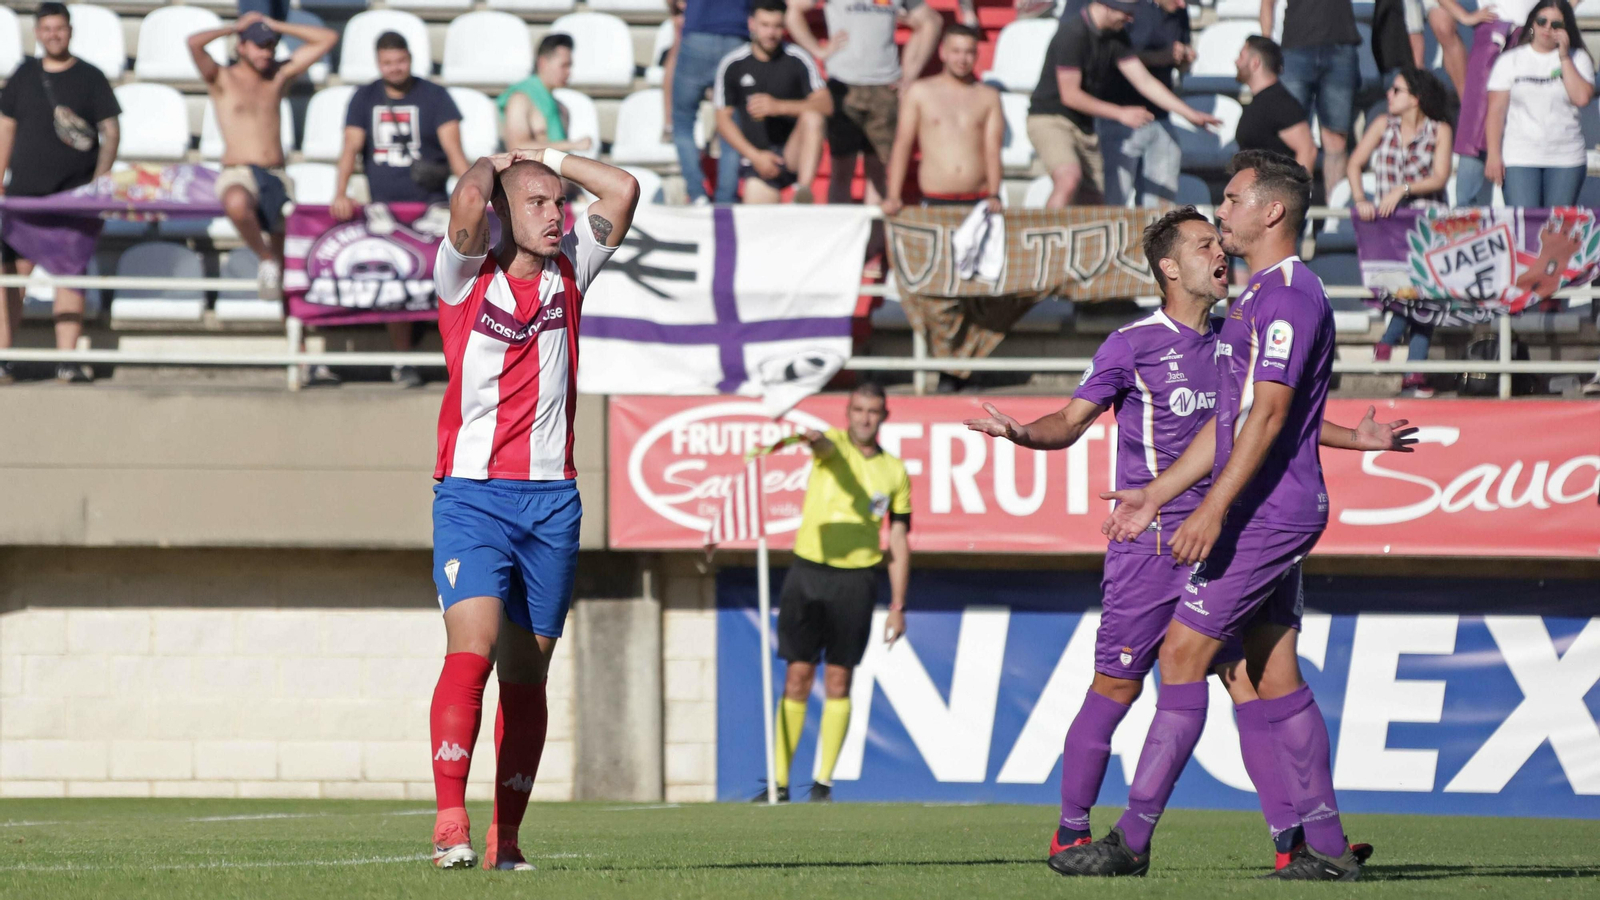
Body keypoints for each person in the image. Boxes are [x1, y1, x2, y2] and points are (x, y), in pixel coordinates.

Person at [966, 207, 1401, 874]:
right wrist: (1023, 432)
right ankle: (1071, 832)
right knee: (1116, 688)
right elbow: (1070, 420)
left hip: (1229, 538)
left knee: (1246, 681)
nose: (1219, 252)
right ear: (1169, 267)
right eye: (1203, 246)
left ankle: (1292, 846)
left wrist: (1351, 437)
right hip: (1155, 542)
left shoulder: (1239, 334)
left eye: (1218, 241)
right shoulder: (1133, 344)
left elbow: (1269, 418)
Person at [1056, 151, 1362, 880]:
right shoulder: (1255, 304)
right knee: (1273, 670)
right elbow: (1229, 424)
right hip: (1266, 506)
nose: (1220, 214)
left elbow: (1272, 412)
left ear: (1270, 212)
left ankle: (1129, 840)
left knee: (1182, 657)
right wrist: (1160, 495)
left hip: (1265, 511)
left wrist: (1214, 512)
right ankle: (1323, 848)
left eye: (1229, 202)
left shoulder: (1287, 296)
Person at [427, 148, 640, 870]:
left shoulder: (572, 270)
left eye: (559, 203)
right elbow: (464, 206)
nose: (556, 215)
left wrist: (547, 158)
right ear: (503, 214)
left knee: (527, 676)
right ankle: (451, 823)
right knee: (473, 649)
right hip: (473, 496)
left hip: (553, 503)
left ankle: (506, 840)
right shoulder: (463, 278)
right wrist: (491, 163)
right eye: (538, 204)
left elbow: (624, 187)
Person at [766, 383, 911, 803]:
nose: (865, 418)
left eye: (873, 411)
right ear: (847, 413)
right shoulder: (832, 449)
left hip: (858, 579)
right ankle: (778, 783)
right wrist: (815, 438)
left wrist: (898, 605)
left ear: (883, 416)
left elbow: (898, 539)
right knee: (797, 675)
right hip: (809, 571)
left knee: (839, 677)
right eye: (858, 410)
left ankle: (823, 785)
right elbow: (824, 447)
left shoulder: (895, 471)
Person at [332, 31, 470, 389]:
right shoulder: (364, 97)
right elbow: (350, 148)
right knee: (396, 277)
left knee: (446, 277)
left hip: (432, 206)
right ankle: (403, 360)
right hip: (385, 208)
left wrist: (475, 193)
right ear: (379, 63)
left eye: (401, 61)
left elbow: (455, 151)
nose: (396, 68)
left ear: (410, 59)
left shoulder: (435, 96)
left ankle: (458, 357)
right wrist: (340, 192)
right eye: (388, 62)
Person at [0, 2, 119, 384]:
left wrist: (97, 183)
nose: (53, 35)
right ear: (37, 32)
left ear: (70, 31)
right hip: (23, 200)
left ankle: (66, 360)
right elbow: (5, 129)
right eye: (46, 28)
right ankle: (4, 358)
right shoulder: (23, 75)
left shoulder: (90, 77)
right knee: (12, 279)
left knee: (69, 278)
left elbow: (111, 132)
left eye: (60, 28)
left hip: (72, 201)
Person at [189, 12, 337, 297]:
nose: (266, 52)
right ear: (241, 46)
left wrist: (276, 25)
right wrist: (235, 27)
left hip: (276, 174)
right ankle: (264, 257)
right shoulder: (222, 77)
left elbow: (327, 39)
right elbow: (194, 44)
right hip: (239, 171)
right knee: (236, 201)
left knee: (288, 269)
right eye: (259, 45)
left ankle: (294, 332)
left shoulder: (277, 75)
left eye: (270, 45)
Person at [1025, 0, 1220, 208]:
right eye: (1126, 12)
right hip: (1050, 119)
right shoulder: (1073, 33)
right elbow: (1070, 95)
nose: (1131, 18)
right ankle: (1047, 235)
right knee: (1068, 179)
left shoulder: (1115, 36)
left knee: (1096, 201)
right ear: (1107, 6)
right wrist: (1120, 113)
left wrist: (1189, 114)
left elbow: (1143, 81)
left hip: (1084, 126)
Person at [1347, 67, 1453, 398]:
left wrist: (1403, 189)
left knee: (1427, 295)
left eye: (1397, 90)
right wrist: (1362, 198)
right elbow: (1354, 164)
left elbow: (1439, 177)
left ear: (1415, 98)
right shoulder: (1382, 125)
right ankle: (1408, 365)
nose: (1389, 96)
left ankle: (1401, 354)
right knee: (1406, 290)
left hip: (1427, 224)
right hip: (1389, 224)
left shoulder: (1440, 129)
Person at [785, 0, 942, 205]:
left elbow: (932, 21)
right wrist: (818, 51)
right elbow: (793, 9)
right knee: (842, 167)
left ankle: (874, 237)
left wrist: (911, 75)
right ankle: (844, 236)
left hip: (884, 86)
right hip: (844, 85)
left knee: (878, 169)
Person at [714, 0, 833, 204]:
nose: (771, 33)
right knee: (756, 218)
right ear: (752, 24)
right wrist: (755, 156)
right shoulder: (734, 64)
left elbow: (826, 105)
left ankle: (802, 192)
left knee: (813, 116)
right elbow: (722, 119)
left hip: (793, 155)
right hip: (758, 158)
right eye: (765, 25)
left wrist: (779, 107)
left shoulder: (798, 58)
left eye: (777, 26)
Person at [882, 25, 1003, 213]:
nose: (962, 59)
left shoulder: (988, 96)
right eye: (956, 51)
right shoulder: (920, 92)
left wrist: (995, 194)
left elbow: (992, 148)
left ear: (977, 55)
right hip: (934, 199)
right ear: (943, 52)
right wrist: (893, 196)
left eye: (969, 52)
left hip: (979, 201)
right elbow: (902, 144)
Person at [1486, 0, 1595, 207]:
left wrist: (1564, 57)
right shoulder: (1510, 61)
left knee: (1556, 230)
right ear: (1532, 23)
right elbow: (1495, 112)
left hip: (1566, 158)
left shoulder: (1578, 59)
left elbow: (1581, 98)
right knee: (1524, 226)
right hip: (1519, 157)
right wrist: (1493, 154)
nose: (1547, 28)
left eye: (1556, 24)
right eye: (1542, 21)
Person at [1090, 0, 1195, 206]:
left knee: (1160, 202)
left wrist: (1184, 59)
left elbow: (1181, 65)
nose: (1182, 4)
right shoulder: (1131, 10)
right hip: (1122, 116)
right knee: (1114, 197)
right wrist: (1160, 57)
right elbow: (1115, 56)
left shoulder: (1181, 14)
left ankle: (1156, 238)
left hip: (1161, 115)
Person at [1262, 0, 1361, 199]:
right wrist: (1266, 48)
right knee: (1293, 137)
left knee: (1336, 138)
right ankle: (1292, 212)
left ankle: (1334, 215)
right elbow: (1267, 3)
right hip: (1295, 49)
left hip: (1340, 47)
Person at [1443, 0, 1537, 206]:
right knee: (1477, 129)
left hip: (1535, 40)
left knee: (1529, 123)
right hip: (1494, 37)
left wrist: (1559, 19)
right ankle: (1467, 220)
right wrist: (1465, 16)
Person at [674, 0, 751, 204]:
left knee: (682, 123)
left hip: (697, 35)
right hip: (737, 36)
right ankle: (726, 198)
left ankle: (697, 194)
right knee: (731, 126)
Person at [1234, 37, 1318, 176]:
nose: (1236, 62)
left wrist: (1295, 194)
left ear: (1255, 62)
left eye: (1241, 56)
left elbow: (1308, 150)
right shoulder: (1262, 101)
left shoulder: (1280, 102)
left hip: (1273, 193)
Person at [500, 34, 594, 155]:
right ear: (543, 63)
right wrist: (572, 145)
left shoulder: (561, 108)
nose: (569, 72)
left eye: (570, 66)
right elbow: (516, 147)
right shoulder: (520, 99)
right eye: (564, 65)